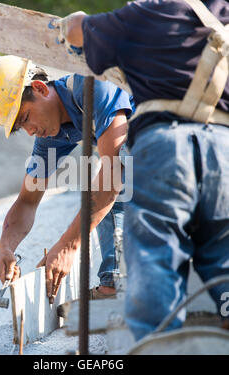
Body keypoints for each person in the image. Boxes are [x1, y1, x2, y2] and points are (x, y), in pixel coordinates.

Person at [53, 0, 229, 340]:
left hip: (166, 147)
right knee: (224, 257)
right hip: (224, 150)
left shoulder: (149, 13)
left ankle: (157, 342)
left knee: (155, 253)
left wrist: (75, 19)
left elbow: (76, 31)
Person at [0, 55, 134, 302]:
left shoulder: (91, 85)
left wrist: (68, 247)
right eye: (20, 127)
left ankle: (124, 285)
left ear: (39, 89)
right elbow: (27, 201)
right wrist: (6, 247)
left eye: (26, 118)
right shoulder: (50, 136)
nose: (30, 131)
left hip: (184, 137)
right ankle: (115, 284)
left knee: (116, 168)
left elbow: (113, 176)